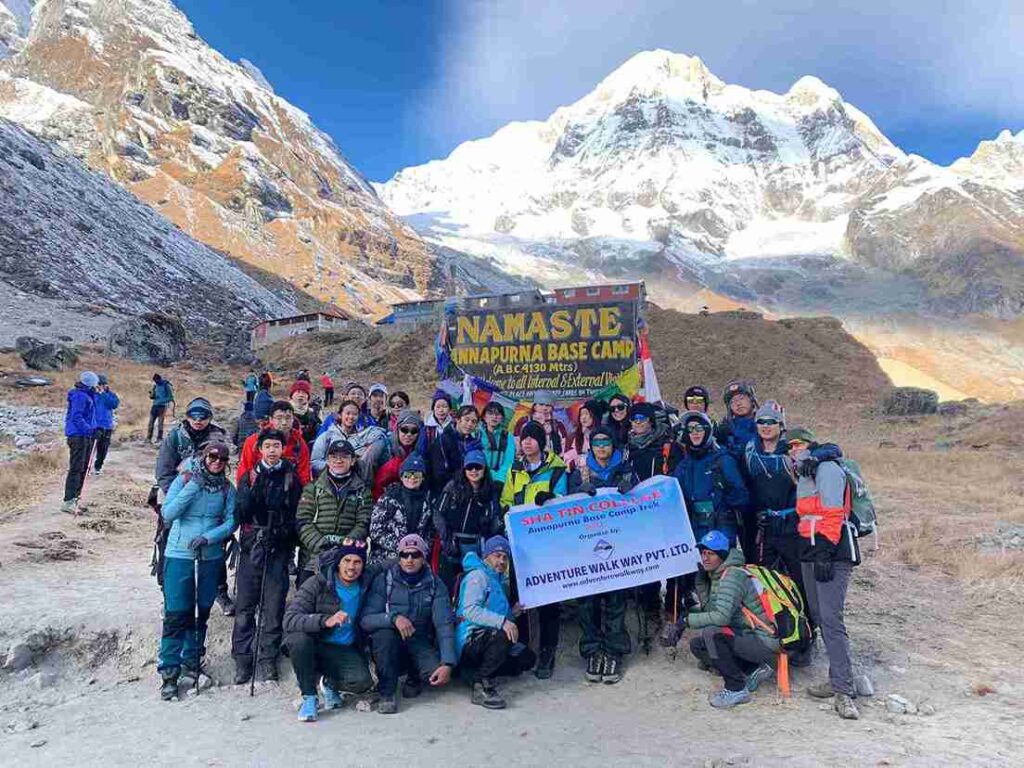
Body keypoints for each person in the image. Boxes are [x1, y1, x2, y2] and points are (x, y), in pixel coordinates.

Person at [790, 427, 861, 720]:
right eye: (790, 446)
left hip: (830, 551)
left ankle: (844, 691)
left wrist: (825, 551)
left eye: (799, 444)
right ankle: (837, 680)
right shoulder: (805, 473)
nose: (794, 449)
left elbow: (833, 513)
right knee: (820, 616)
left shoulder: (827, 469)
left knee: (831, 620)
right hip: (811, 550)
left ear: (811, 445)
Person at [157, 442, 237, 700]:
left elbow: (231, 521)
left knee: (200, 612)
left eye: (222, 459)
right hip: (180, 553)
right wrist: (194, 486)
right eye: (212, 457)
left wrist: (210, 537)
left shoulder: (227, 488)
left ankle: (192, 661)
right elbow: (169, 512)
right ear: (203, 457)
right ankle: (169, 671)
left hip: (209, 555)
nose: (217, 462)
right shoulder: (186, 479)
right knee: (176, 613)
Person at [667, 411, 751, 639]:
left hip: (719, 523)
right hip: (694, 523)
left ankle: (725, 621)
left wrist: (722, 501)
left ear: (708, 431)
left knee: (719, 570)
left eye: (699, 429)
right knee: (699, 571)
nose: (695, 434)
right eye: (691, 430)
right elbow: (672, 494)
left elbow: (741, 494)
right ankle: (706, 616)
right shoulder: (685, 465)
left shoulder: (722, 459)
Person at [231, 429, 303, 684]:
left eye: (276, 446)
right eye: (268, 446)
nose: (272, 450)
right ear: (259, 449)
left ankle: (267, 659)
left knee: (273, 607)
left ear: (283, 449)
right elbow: (239, 513)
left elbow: (298, 516)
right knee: (245, 606)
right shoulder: (249, 476)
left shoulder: (291, 478)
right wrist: (252, 495)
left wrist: (283, 534)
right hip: (252, 544)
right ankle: (242, 659)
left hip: (278, 547)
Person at [500, 420, 568, 679]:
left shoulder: (557, 469)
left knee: (549, 601)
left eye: (532, 437)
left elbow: (564, 502)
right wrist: (506, 511)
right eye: (523, 437)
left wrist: (549, 500)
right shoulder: (515, 469)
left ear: (541, 442)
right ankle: (523, 651)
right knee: (522, 599)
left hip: (547, 546)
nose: (527, 442)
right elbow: (507, 498)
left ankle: (547, 652)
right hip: (520, 546)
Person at [360, 534, 456, 714]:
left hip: (419, 639)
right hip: (391, 639)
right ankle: (387, 692)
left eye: (415, 555)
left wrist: (448, 663)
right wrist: (393, 618)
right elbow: (366, 619)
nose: (409, 560)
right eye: (404, 555)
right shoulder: (384, 580)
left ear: (423, 557)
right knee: (383, 636)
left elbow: (444, 625)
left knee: (436, 675)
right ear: (399, 557)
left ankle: (414, 676)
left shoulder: (436, 584)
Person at [154, 397, 232, 614]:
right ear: (187, 416)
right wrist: (177, 496)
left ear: (210, 417)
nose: (198, 420)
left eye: (203, 416)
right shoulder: (175, 437)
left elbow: (223, 465)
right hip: (178, 498)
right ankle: (168, 595)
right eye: (193, 415)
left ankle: (220, 592)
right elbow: (163, 471)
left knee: (216, 547)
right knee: (167, 546)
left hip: (213, 498)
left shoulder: (220, 437)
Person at [283, 541, 376, 722]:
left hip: (343, 648)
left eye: (357, 562)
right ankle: (309, 696)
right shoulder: (317, 583)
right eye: (347, 560)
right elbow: (290, 619)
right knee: (298, 640)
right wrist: (325, 620)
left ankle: (328, 683)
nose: (351, 566)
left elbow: (392, 563)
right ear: (338, 563)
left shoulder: (366, 583)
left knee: (362, 682)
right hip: (316, 643)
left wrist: (411, 555)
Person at [685, 530, 779, 709]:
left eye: (710, 554)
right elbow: (712, 610)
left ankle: (736, 688)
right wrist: (701, 583)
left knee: (711, 633)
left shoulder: (732, 576)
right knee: (697, 645)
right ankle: (753, 669)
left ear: (722, 555)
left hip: (763, 640)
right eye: (703, 553)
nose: (705, 558)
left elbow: (720, 617)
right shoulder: (718, 574)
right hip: (746, 633)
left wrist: (686, 621)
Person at [569, 426, 633, 683]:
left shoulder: (625, 470)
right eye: (597, 442)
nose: (602, 447)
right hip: (588, 544)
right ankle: (593, 649)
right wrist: (577, 494)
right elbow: (566, 507)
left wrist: (632, 490)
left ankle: (614, 649)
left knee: (616, 598)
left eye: (606, 442)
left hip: (618, 544)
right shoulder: (580, 472)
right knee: (588, 600)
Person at [454, 536, 535, 709]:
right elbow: (470, 610)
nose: (502, 561)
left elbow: (498, 616)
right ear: (486, 556)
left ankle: (470, 673)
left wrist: (513, 613)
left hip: (487, 638)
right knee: (503, 634)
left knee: (526, 659)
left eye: (505, 557)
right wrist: (503, 622)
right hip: (470, 639)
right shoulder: (478, 576)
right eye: (497, 555)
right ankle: (481, 683)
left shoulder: (497, 581)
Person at [626, 401, 684, 629]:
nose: (637, 423)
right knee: (645, 561)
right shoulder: (627, 448)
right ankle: (650, 607)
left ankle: (673, 606)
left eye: (642, 419)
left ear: (651, 421)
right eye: (634, 419)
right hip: (638, 516)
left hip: (666, 512)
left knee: (672, 559)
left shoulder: (667, 446)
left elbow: (677, 477)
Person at [295, 439, 373, 582]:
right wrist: (322, 545)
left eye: (344, 457)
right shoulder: (313, 488)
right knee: (307, 599)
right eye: (334, 457)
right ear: (327, 460)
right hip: (313, 558)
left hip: (347, 558)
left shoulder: (362, 491)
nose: (339, 460)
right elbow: (303, 522)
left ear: (353, 461)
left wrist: (344, 546)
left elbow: (364, 523)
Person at [436, 450, 504, 591]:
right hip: (452, 543)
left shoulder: (490, 492)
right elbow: (438, 513)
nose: (474, 471)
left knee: (473, 585)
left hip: (476, 545)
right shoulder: (453, 487)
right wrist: (446, 537)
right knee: (448, 584)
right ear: (464, 469)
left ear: (484, 469)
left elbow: (494, 522)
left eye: (478, 467)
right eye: (470, 467)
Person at [368, 454, 437, 565]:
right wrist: (402, 547)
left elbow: (430, 531)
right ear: (401, 476)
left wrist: (421, 548)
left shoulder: (428, 500)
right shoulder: (388, 498)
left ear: (423, 477)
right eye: (408, 475)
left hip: (417, 557)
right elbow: (376, 531)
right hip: (387, 556)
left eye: (417, 475)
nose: (412, 478)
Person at [311, 400, 389, 484]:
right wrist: (338, 466)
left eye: (355, 414)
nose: (351, 417)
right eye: (348, 413)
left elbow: (383, 434)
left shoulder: (364, 435)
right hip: (330, 482)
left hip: (358, 482)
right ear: (340, 415)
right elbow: (315, 462)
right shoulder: (327, 437)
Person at [236, 400, 312, 485]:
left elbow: (304, 476)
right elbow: (244, 472)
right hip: (259, 489)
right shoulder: (253, 442)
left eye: (288, 418)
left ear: (293, 419)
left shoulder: (299, 444)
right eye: (279, 418)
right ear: (271, 419)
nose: (284, 423)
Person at [62, 371, 98, 514]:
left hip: (84, 436)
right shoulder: (79, 396)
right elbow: (77, 417)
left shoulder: (86, 395)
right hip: (78, 436)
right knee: (76, 468)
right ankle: (68, 501)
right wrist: (90, 430)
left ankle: (75, 499)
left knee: (83, 468)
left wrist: (95, 429)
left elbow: (88, 416)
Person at [427, 404, 482, 494]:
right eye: (466, 420)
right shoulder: (443, 440)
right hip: (445, 489)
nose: (469, 424)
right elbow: (439, 471)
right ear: (458, 419)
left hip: (469, 486)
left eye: (473, 421)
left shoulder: (475, 443)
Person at [373, 408, 422, 500]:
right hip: (380, 501)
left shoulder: (419, 452)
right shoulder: (381, 446)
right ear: (397, 429)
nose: (408, 434)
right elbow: (365, 473)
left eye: (414, 431)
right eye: (404, 429)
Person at [514, 391, 569, 456]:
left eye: (548, 405)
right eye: (541, 404)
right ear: (534, 406)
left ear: (552, 408)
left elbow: (563, 446)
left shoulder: (558, 425)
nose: (544, 408)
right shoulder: (523, 422)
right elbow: (516, 442)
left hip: (552, 462)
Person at [716, 380, 758, 460]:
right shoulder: (724, 431)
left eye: (741, 398)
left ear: (752, 399)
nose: (738, 404)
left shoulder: (765, 423)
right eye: (733, 401)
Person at [479, 402, 515, 490]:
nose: (494, 417)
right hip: (480, 477)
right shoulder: (477, 434)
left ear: (502, 418)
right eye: (490, 413)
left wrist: (499, 477)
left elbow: (509, 460)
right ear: (484, 417)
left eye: (498, 414)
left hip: (501, 479)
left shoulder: (508, 436)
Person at [562, 399, 603, 473]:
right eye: (581, 415)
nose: (583, 417)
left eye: (586, 414)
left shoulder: (603, 435)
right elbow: (567, 458)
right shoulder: (574, 436)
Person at [91, 374, 120, 476]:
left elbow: (114, 404)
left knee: (103, 449)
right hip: (93, 426)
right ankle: (87, 467)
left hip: (107, 426)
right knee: (90, 448)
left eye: (102, 384)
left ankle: (98, 467)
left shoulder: (111, 395)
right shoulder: (92, 395)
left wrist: (103, 394)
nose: (100, 386)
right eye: (98, 384)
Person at [289, 380, 322, 448]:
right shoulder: (285, 411)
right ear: (292, 395)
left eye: (304, 393)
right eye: (298, 392)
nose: (301, 395)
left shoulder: (313, 414)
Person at [147, 373, 175, 444]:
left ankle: (159, 438)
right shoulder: (155, 386)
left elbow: (170, 397)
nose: (156, 382)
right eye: (155, 381)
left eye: (156, 381)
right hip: (154, 406)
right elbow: (153, 396)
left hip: (162, 407)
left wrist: (161, 400)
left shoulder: (166, 386)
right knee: (150, 423)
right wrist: (151, 395)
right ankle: (148, 438)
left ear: (159, 379)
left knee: (160, 423)